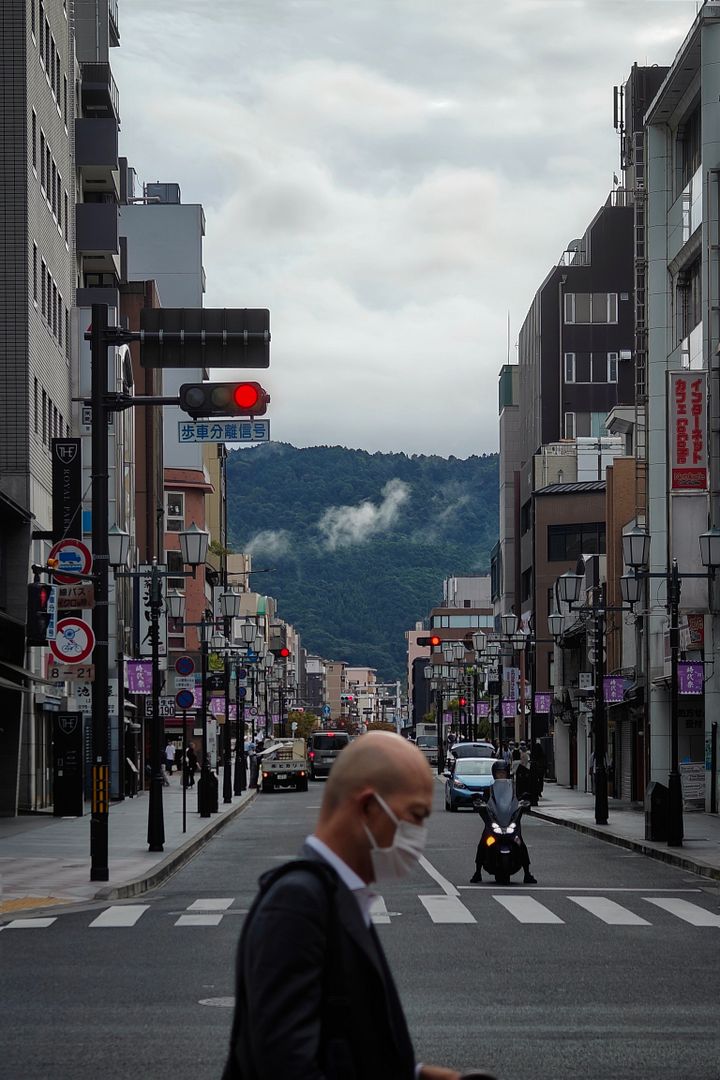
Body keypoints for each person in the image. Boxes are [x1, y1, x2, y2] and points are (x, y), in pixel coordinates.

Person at [222, 731, 467, 1080]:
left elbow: (342, 1040)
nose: (419, 832)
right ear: (368, 807)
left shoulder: (340, 895)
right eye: (415, 815)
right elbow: (287, 1066)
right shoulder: (298, 903)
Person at [470, 759, 537, 885]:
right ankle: (477, 872)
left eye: (503, 773)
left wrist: (524, 801)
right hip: (495, 823)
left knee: (520, 842)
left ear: (507, 773)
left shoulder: (513, 789)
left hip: (509, 821)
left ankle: (527, 873)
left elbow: (518, 800)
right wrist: (479, 802)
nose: (501, 775)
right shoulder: (489, 789)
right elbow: (485, 802)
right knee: (484, 842)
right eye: (498, 773)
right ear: (494, 774)